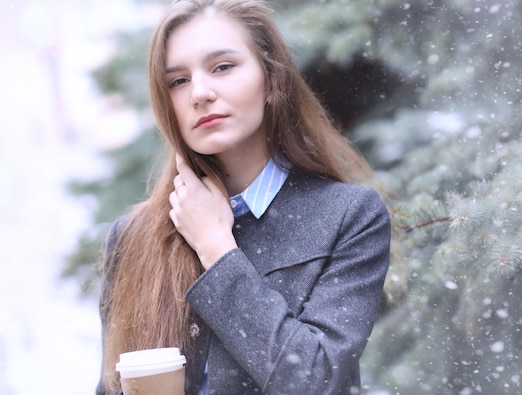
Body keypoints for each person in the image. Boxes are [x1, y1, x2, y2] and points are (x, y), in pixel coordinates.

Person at [96, 0, 391, 394]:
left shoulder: (349, 217)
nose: (200, 93)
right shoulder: (132, 238)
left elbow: (314, 382)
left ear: (271, 80)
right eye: (178, 81)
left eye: (223, 67)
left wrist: (216, 249)